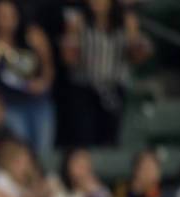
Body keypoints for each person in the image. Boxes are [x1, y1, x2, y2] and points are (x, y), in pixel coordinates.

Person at [0, 0, 55, 155]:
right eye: (1, 15)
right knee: (19, 149)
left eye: (9, 15)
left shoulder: (34, 37)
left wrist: (42, 83)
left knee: (43, 150)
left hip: (37, 103)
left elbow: (48, 67)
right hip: (8, 106)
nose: (5, 20)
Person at [60, 0, 152, 146]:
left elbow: (136, 56)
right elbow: (68, 59)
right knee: (83, 137)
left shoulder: (127, 20)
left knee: (110, 138)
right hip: (85, 88)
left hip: (114, 87)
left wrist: (140, 47)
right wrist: (71, 37)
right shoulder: (77, 19)